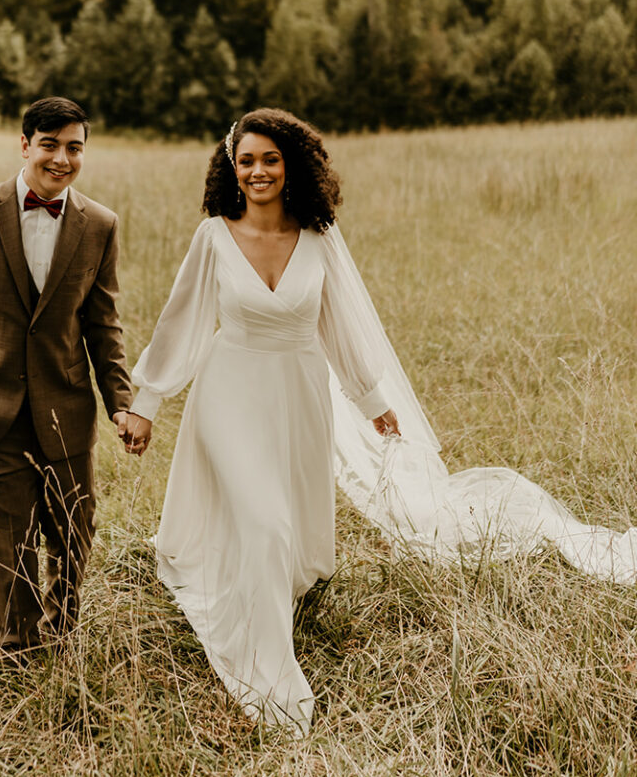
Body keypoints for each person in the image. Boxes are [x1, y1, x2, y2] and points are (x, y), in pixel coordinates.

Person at [122, 106, 637, 734]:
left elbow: (339, 328)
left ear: (292, 166)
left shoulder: (316, 237)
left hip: (299, 396)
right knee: (263, 522)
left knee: (286, 539)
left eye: (270, 159)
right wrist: (145, 404)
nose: (257, 171)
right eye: (247, 160)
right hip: (228, 395)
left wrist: (373, 403)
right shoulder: (213, 238)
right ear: (232, 167)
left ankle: (275, 589)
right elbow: (181, 326)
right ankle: (268, 675)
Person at [0, 96, 147, 660]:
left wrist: (120, 400)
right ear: (25, 146)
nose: (62, 159)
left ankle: (62, 633)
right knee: (12, 542)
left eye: (74, 147)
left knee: (74, 532)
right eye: (49, 145)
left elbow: (103, 323)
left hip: (66, 407)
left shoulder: (100, 225)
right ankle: (19, 653)